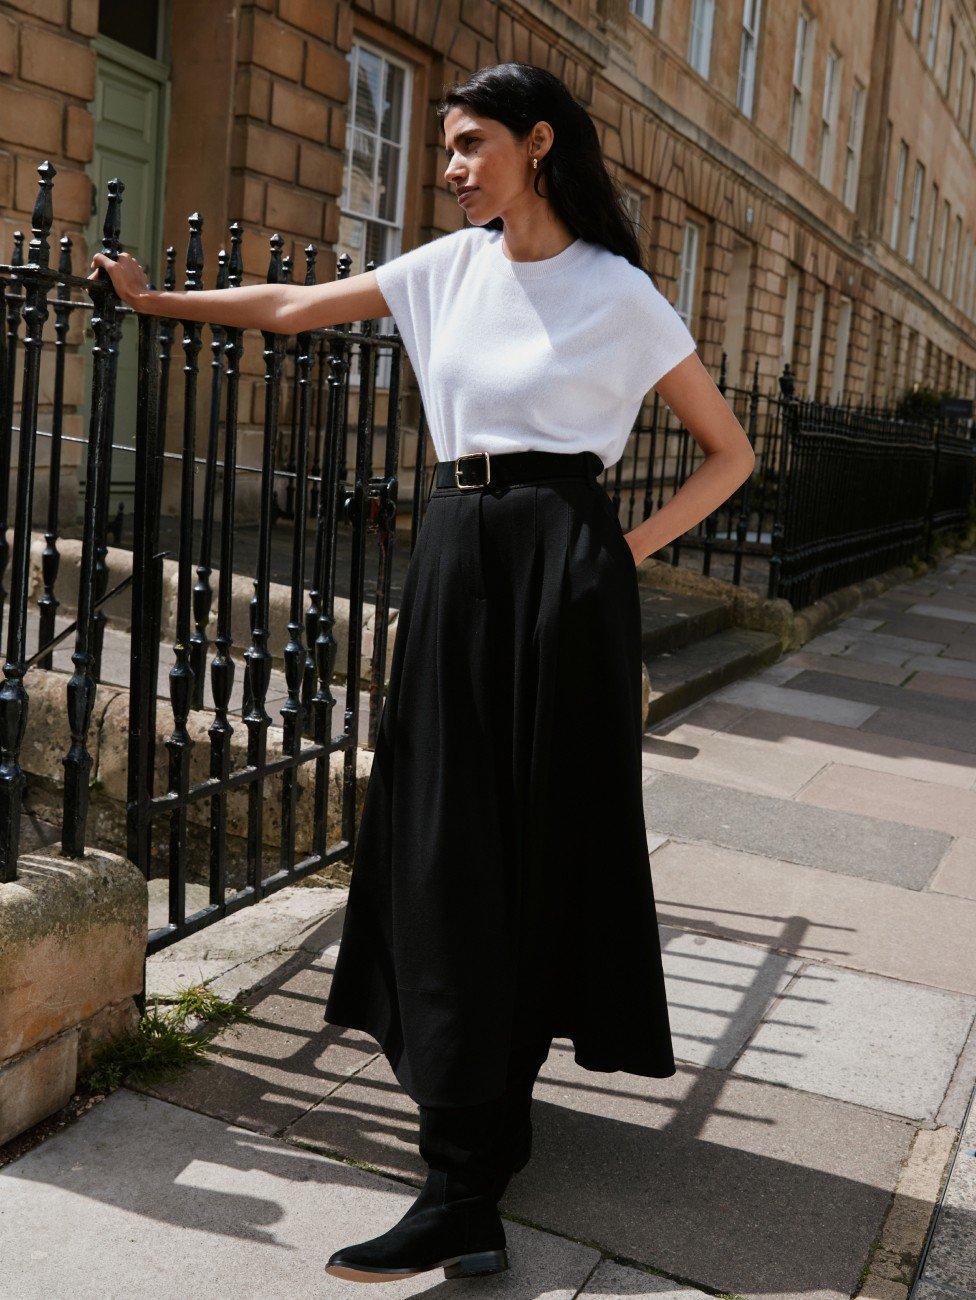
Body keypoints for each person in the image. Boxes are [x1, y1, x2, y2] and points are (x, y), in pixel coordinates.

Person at [92, 61, 755, 1287]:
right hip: (456, 558)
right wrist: (154, 303)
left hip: (562, 572)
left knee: (538, 845)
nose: (449, 167)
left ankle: (466, 1181)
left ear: (537, 144)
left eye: (468, 144)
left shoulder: (619, 294)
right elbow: (293, 310)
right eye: (445, 148)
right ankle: (473, 1144)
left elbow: (728, 451)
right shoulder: (443, 271)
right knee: (442, 844)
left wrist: (613, 552)